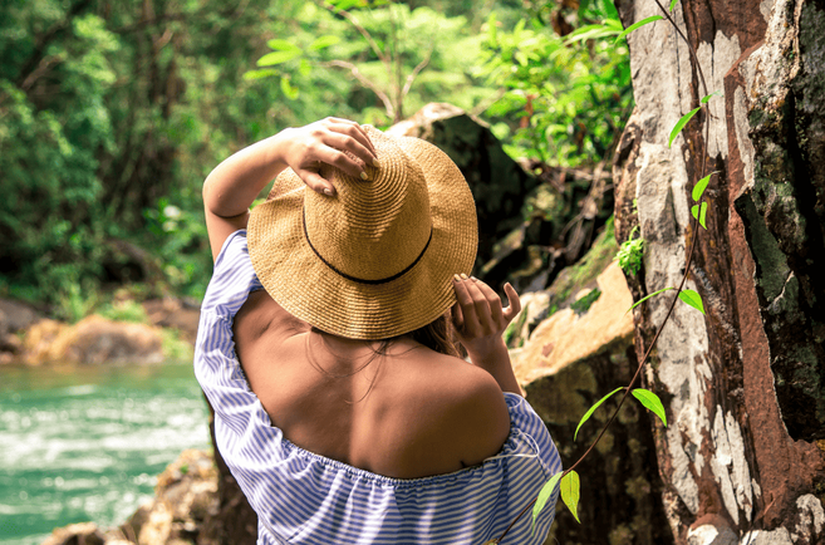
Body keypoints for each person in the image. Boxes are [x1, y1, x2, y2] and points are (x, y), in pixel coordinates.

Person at [195, 117, 561, 544]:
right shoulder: (467, 395)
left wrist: (284, 145)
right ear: (431, 258)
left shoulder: (251, 327)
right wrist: (489, 351)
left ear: (305, 245)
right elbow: (529, 505)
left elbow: (220, 204)